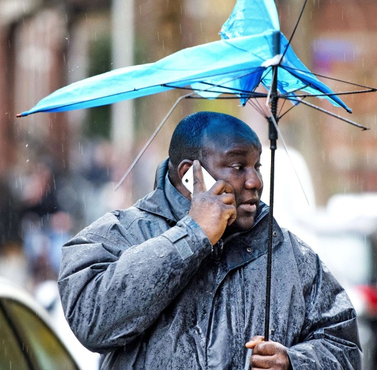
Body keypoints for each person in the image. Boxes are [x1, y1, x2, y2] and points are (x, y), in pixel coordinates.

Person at [58, 111, 360, 369]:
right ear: (190, 174)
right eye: (238, 167)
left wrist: (295, 361)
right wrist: (193, 234)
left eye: (257, 166)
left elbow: (345, 347)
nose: (255, 181)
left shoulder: (292, 255)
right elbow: (93, 322)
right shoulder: (117, 236)